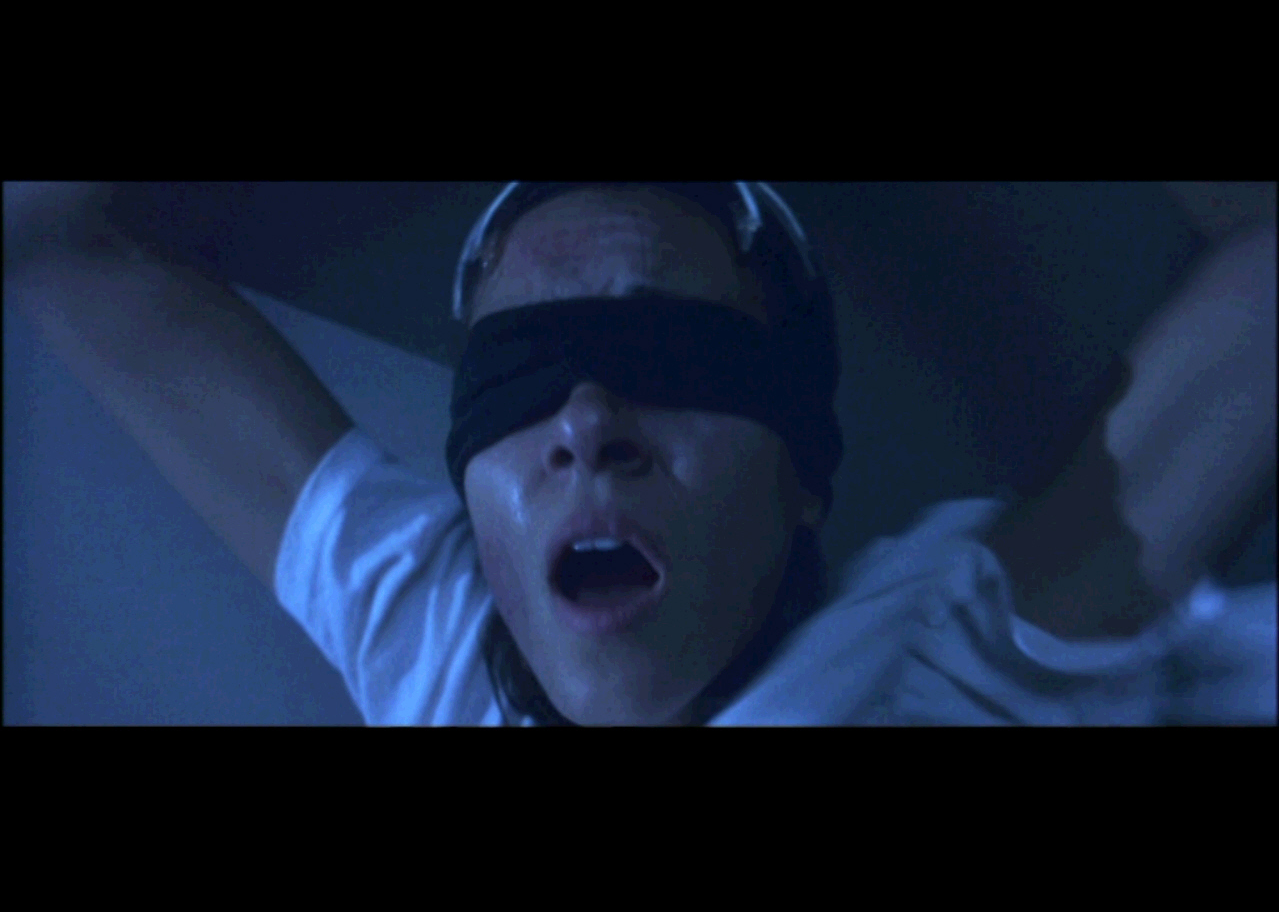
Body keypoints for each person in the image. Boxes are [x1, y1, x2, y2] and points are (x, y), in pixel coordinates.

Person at [4, 181, 1274, 725]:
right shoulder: (444, 642)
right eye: (522, 374)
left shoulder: (939, 666)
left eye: (675, 359)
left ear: (802, 475)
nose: (585, 423)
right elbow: (52, 240)